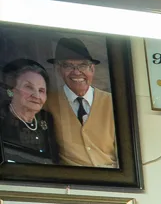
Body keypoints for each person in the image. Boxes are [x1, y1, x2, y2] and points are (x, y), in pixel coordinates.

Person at [45, 38, 117, 168]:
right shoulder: (48, 102)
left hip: (111, 178)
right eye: (68, 65)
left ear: (92, 69)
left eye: (83, 65)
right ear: (58, 69)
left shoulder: (112, 103)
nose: (77, 72)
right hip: (71, 181)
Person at [1, 60, 58, 164]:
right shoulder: (3, 118)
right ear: (11, 90)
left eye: (41, 90)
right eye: (28, 87)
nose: (36, 96)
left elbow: (54, 161)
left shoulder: (46, 118)